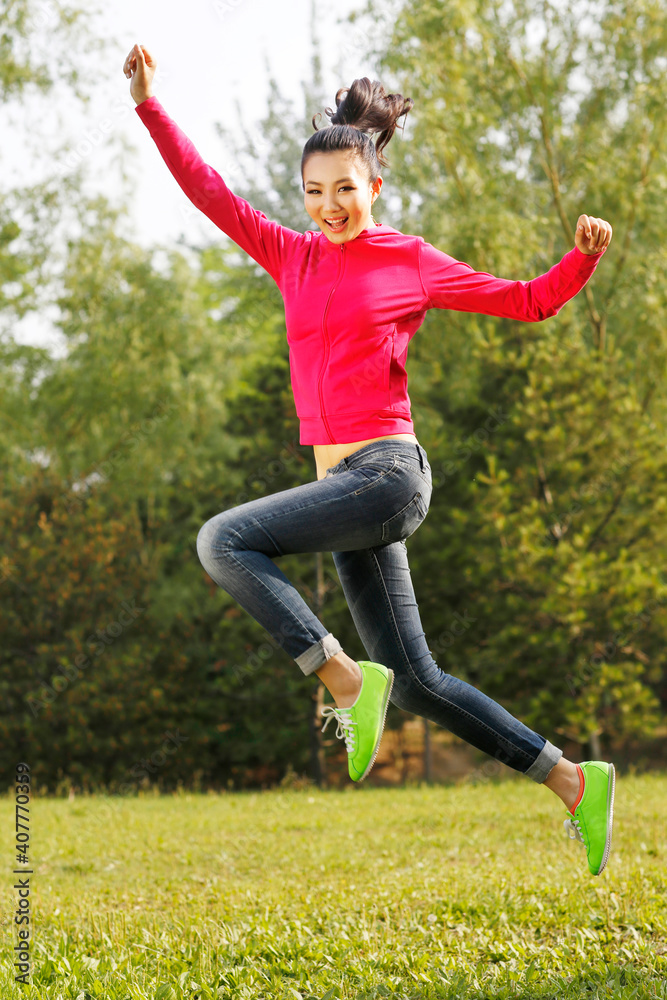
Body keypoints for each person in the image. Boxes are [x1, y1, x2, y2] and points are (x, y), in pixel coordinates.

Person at [124, 43, 615, 875]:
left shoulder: (407, 261)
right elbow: (208, 190)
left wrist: (581, 256)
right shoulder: (292, 256)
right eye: (314, 194)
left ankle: (344, 682)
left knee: (223, 541)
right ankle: (571, 779)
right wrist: (148, 105)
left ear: (374, 186)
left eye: (344, 190)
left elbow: (527, 302)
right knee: (418, 680)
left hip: (386, 475)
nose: (329, 207)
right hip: (343, 487)